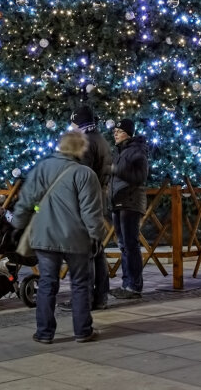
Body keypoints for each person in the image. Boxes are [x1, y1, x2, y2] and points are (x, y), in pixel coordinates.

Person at [11, 130, 109, 344]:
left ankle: (44, 332)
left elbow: (26, 201)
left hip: (44, 235)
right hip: (76, 238)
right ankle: (83, 330)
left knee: (47, 282)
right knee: (81, 283)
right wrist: (97, 236)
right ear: (80, 148)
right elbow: (91, 212)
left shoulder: (42, 169)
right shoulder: (84, 174)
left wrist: (16, 226)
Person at [71, 105, 114, 310]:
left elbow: (83, 175)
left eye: (72, 123)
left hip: (87, 202)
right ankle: (100, 296)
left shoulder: (86, 143)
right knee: (97, 249)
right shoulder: (101, 139)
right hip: (99, 198)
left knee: (84, 250)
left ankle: (84, 298)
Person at [108, 118, 150, 300]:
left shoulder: (137, 151)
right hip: (118, 201)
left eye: (119, 131)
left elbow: (140, 176)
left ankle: (134, 286)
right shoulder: (120, 151)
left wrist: (115, 169)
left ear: (127, 133)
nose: (115, 134)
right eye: (114, 131)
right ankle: (126, 284)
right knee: (123, 245)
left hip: (130, 202)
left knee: (130, 245)